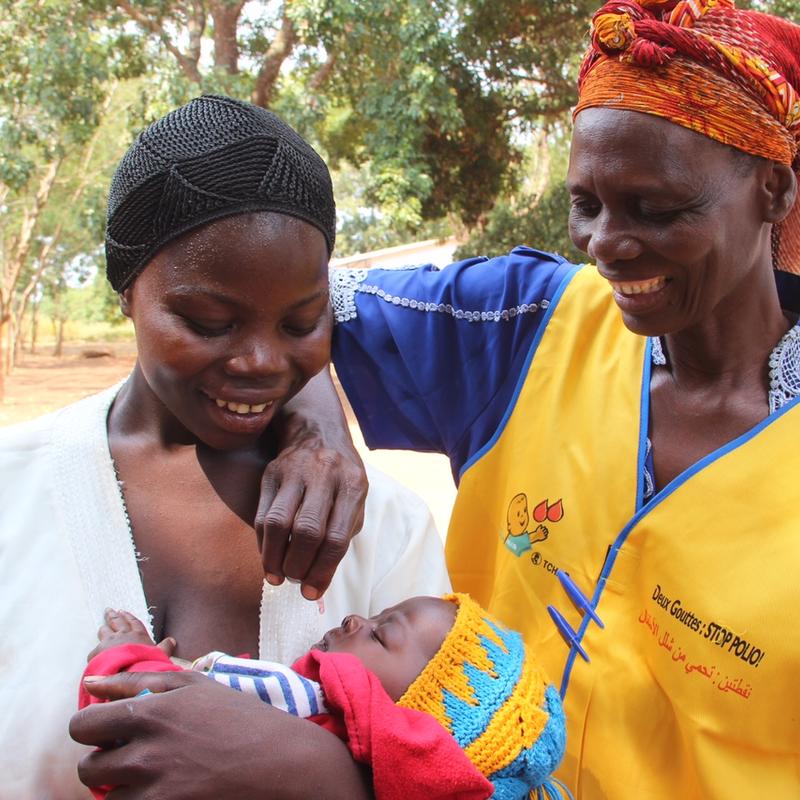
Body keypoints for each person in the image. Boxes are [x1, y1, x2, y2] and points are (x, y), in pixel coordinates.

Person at [70, 1, 800, 797]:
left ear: (774, 190)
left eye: (658, 210)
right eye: (586, 205)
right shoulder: (525, 326)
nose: (607, 246)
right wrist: (318, 429)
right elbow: (298, 308)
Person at [0, 95, 450, 800]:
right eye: (209, 321)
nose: (262, 363)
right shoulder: (12, 492)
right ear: (128, 291)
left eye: (301, 322)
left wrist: (315, 775)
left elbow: (469, 766)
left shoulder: (387, 534)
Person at [79, 597, 567, 800]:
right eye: (377, 614)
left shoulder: (302, 707)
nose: (357, 620)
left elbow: (145, 718)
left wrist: (126, 654)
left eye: (380, 635)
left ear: (414, 714)